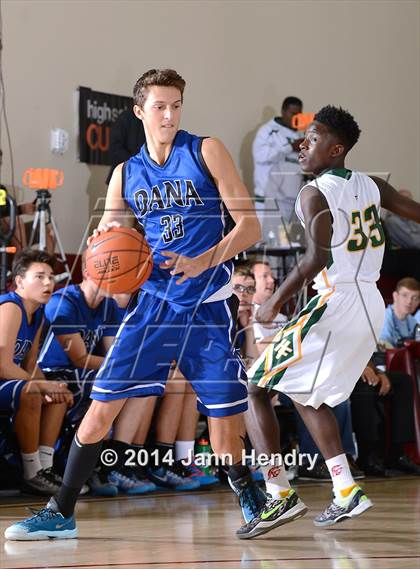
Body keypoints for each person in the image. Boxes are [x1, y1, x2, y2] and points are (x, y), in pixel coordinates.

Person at [5, 68, 264, 541]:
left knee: (225, 415)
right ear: (140, 111)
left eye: (177, 105)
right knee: (101, 406)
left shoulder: (206, 150)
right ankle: (61, 509)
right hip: (152, 308)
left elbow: (250, 227)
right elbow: (109, 232)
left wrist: (202, 259)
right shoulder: (126, 172)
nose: (169, 115)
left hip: (207, 304)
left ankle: (252, 498)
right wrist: (104, 246)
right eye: (160, 106)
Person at [239, 105, 420, 539]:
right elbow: (413, 211)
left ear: (336, 149)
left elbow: (316, 258)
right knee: (304, 392)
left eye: (313, 138)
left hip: (337, 302)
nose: (303, 144)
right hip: (370, 303)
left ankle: (279, 495)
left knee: (253, 388)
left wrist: (272, 304)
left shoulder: (313, 193)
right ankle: (345, 490)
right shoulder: (373, 185)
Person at [0, 249, 73, 495]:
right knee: (33, 391)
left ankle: (46, 468)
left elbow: (31, 365)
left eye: (51, 277)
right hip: (4, 377)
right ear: (19, 281)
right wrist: (42, 386)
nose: (48, 283)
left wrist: (54, 388)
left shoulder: (39, 313)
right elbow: (4, 365)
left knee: (58, 397)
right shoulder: (10, 306)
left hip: (9, 383)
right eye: (39, 276)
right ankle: (31, 473)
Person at [351, 362, 420, 476]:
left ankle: (397, 455)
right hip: (338, 376)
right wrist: (359, 368)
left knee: (403, 381)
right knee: (366, 383)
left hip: (361, 368)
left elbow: (365, 357)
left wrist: (379, 373)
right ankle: (367, 457)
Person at [252, 96, 304, 242]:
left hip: (292, 204)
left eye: (299, 114)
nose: (295, 118)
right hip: (269, 201)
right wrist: (289, 147)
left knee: (289, 248)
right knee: (267, 246)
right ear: (283, 111)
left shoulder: (301, 134)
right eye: (292, 113)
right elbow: (260, 155)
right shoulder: (268, 131)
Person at [106, 107, 146, 184]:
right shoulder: (125, 118)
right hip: (124, 177)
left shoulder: (152, 119)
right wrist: (136, 162)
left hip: (145, 177)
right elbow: (115, 149)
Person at [379, 277, 420, 347]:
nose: (409, 301)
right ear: (395, 296)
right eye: (405, 295)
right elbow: (383, 349)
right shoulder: (384, 318)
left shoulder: (412, 321)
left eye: (415, 298)